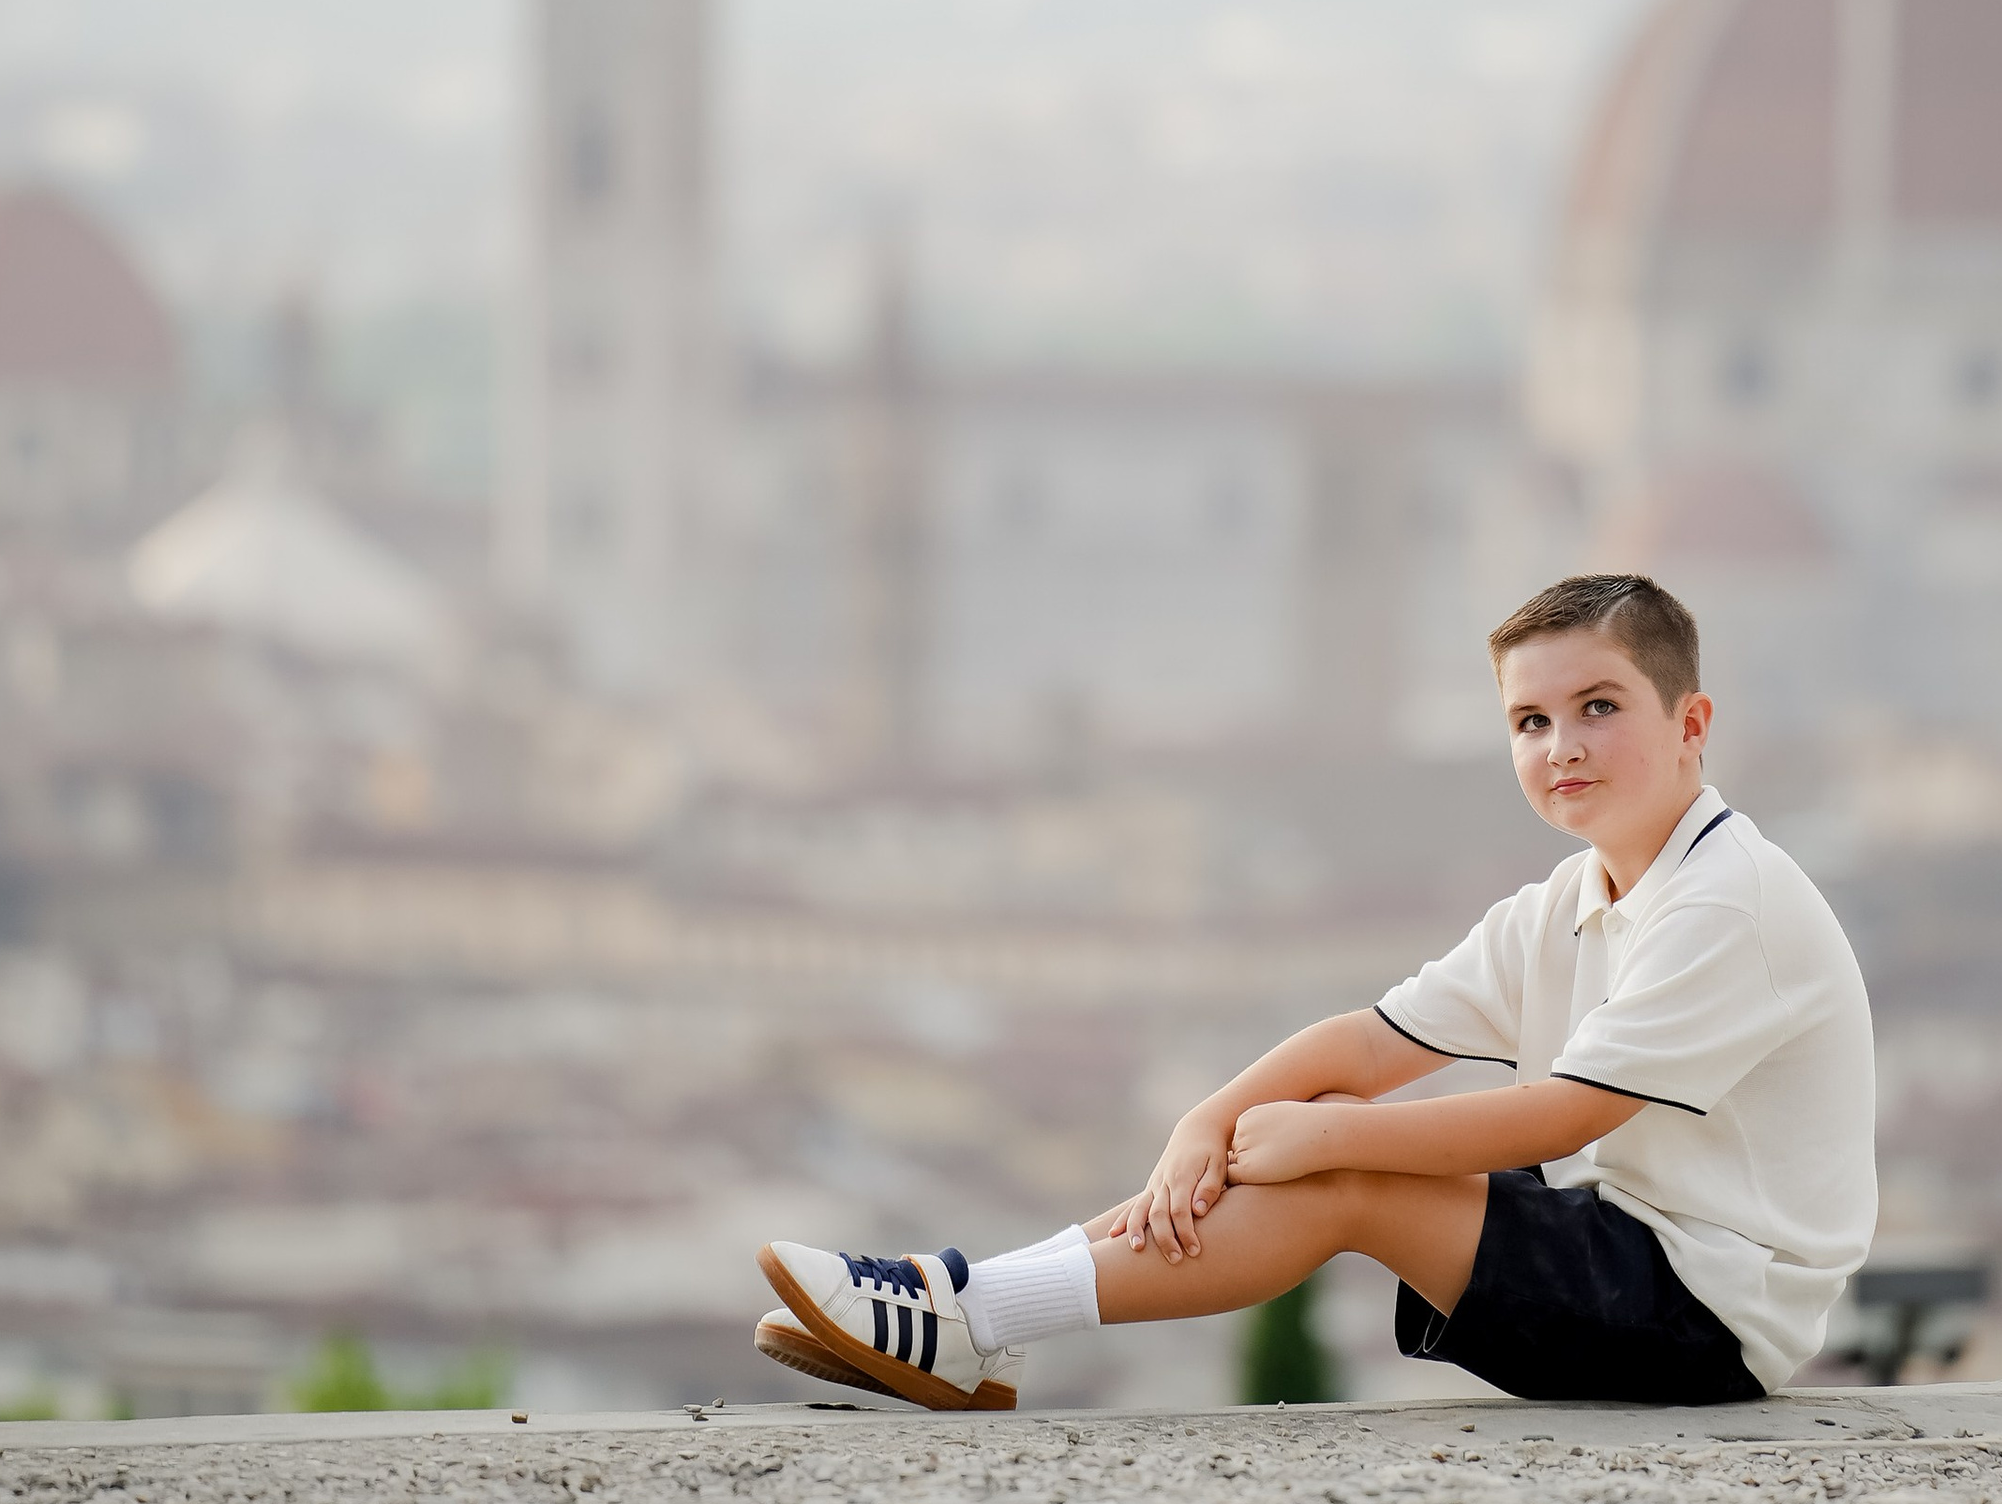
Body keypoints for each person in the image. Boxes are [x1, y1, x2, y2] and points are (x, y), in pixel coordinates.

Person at [753, 571, 1876, 1414]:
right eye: (1530, 722)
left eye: (1599, 707)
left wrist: (1325, 1138)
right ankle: (964, 1307)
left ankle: (971, 1316)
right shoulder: (1570, 898)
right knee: (1316, 1142)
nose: (1560, 746)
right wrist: (1211, 1122)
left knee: (1342, 1175)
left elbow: (1570, 1112)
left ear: (1690, 724)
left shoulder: (1725, 902)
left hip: (1705, 1317)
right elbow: (1369, 1039)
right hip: (1625, 1255)